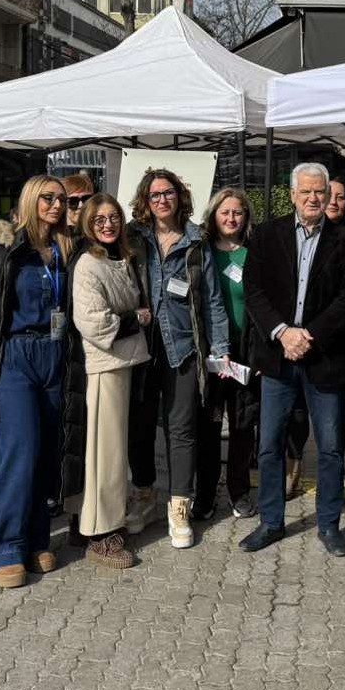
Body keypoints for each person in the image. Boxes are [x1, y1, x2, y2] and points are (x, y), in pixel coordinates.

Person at [239, 162, 345, 558]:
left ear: (329, 196)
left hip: (323, 357)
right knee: (270, 443)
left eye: (320, 192)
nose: (314, 198)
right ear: (292, 195)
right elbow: (254, 290)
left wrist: (309, 335)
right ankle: (271, 521)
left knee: (329, 447)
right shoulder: (266, 235)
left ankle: (329, 524)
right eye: (306, 192)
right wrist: (282, 332)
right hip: (278, 357)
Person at [0, 175, 72, 589]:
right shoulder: (4, 250)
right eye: (47, 198)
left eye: (61, 199)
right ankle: (5, 546)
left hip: (56, 354)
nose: (56, 205)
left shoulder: (65, 248)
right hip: (15, 358)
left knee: (47, 454)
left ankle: (37, 537)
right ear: (29, 200)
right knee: (17, 455)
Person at [126, 169, 230, 549]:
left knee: (181, 429)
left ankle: (179, 505)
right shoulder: (133, 238)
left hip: (184, 349)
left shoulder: (197, 241)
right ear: (145, 200)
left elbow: (213, 301)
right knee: (138, 427)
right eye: (154, 195)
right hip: (139, 348)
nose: (161, 200)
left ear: (179, 197)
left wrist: (220, 350)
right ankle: (144, 494)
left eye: (167, 193)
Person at [70, 194, 151, 568]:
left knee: (117, 452)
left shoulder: (123, 259)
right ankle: (100, 535)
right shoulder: (87, 264)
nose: (108, 224)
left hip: (129, 361)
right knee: (105, 454)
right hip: (105, 366)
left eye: (113, 217)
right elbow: (96, 324)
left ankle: (110, 520)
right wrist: (138, 318)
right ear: (88, 223)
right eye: (100, 218)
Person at [286, 177, 345, 497]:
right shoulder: (293, 237)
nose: (333, 202)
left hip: (336, 349)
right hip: (295, 346)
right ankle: (294, 465)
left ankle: (334, 477)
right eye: (330, 195)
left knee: (333, 423)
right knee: (296, 413)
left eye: (341, 197)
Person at [196, 188, 260, 520]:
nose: (231, 218)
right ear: (214, 216)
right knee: (208, 426)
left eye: (237, 213)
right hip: (209, 354)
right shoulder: (201, 253)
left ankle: (239, 491)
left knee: (242, 425)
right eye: (225, 213)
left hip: (244, 353)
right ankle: (205, 495)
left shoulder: (254, 254)